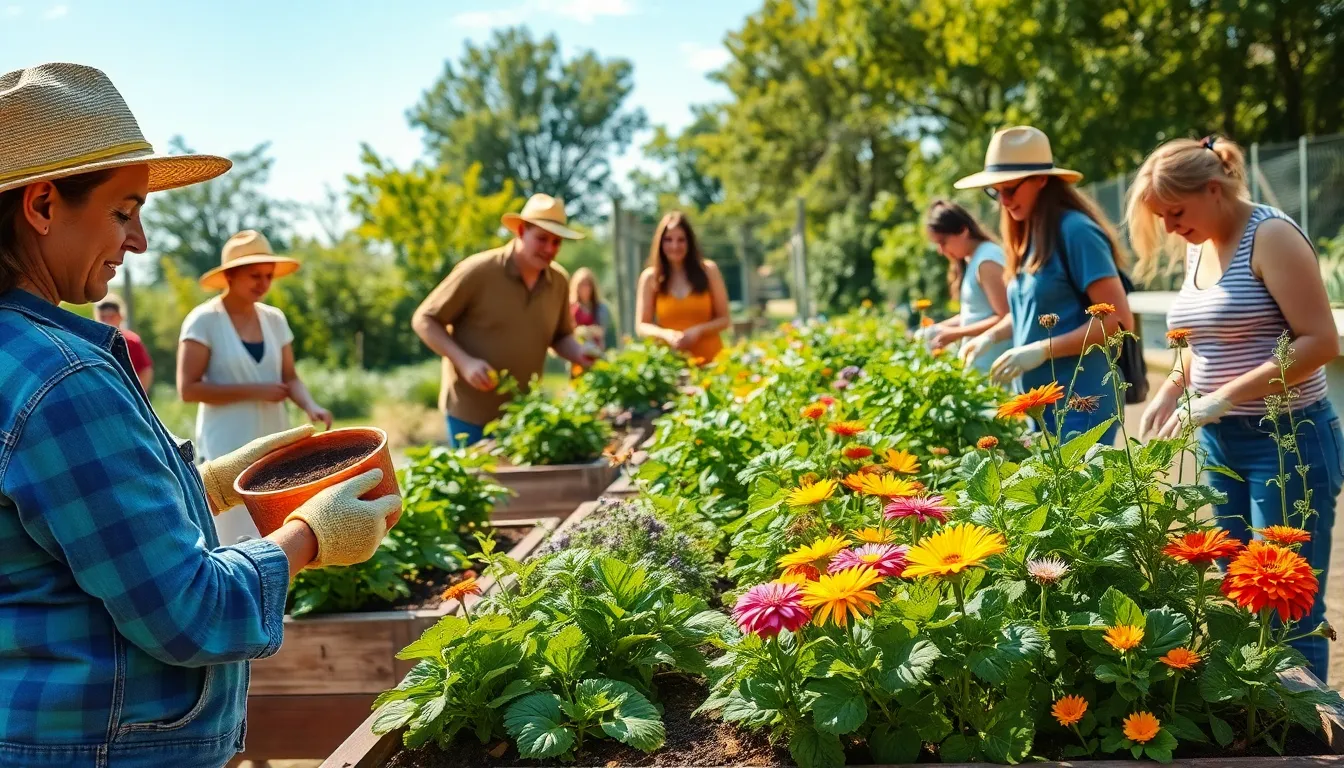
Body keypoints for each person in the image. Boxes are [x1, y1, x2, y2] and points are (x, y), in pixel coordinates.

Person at [0, 62, 400, 768]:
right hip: (99, 746)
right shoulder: (62, 378)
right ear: (40, 206)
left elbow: (56, 537)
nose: (140, 242)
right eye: (124, 212)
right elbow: (192, 612)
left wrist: (202, 486)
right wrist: (310, 534)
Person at [1129, 135, 1342, 679]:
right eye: (1163, 218)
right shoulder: (1199, 243)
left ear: (1214, 188)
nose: (1172, 228)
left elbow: (1319, 342)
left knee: (1289, 605)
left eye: (1176, 212)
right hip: (1221, 441)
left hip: (1287, 441)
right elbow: (1206, 343)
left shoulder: (1270, 236)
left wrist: (1223, 396)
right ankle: (1261, 725)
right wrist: (1172, 388)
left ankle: (1310, 743)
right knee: (1239, 596)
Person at [956, 126, 1134, 444]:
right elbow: (1032, 312)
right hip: (1042, 408)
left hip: (1081, 404)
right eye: (995, 192)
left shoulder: (1075, 231)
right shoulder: (1028, 236)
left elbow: (1118, 320)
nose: (1004, 201)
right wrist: (991, 336)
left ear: (1041, 180)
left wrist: (1042, 350)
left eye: (1010, 189)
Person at [178, 230, 333, 544]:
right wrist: (255, 390)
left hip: (274, 435)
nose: (263, 283)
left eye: (268, 275)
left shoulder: (274, 319)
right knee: (233, 531)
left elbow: (290, 377)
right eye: (254, 275)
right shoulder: (204, 321)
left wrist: (310, 405)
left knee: (277, 526)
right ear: (231, 276)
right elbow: (188, 389)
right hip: (227, 445)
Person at [412, 193, 596, 447]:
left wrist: (579, 352)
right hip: (470, 413)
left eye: (556, 242)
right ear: (521, 231)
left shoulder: (559, 282)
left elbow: (561, 336)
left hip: (522, 415)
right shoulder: (479, 270)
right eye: (542, 238)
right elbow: (424, 319)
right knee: (477, 484)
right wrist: (465, 362)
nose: (549, 249)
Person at [916, 200, 1010, 372]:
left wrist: (956, 334)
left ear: (963, 231)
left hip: (995, 365)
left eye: (943, 242)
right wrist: (940, 328)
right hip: (980, 366)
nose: (941, 250)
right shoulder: (973, 260)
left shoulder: (987, 261)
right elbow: (976, 315)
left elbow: (1005, 317)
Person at [636, 211, 731, 363]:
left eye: (681, 240)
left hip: (711, 364)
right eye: (668, 240)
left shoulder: (709, 271)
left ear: (689, 242)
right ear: (660, 243)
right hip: (670, 364)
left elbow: (724, 319)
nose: (675, 246)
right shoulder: (650, 278)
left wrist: (698, 331)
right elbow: (642, 326)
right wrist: (666, 334)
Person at [95, 291, 152, 392]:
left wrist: (138, 396)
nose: (106, 321)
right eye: (102, 317)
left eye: (111, 316)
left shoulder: (131, 341)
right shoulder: (90, 341)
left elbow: (145, 370)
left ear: (120, 316)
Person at [570, 266, 614, 352]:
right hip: (576, 351)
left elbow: (601, 331)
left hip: (596, 350)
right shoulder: (571, 307)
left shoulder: (600, 307)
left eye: (587, 285)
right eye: (582, 285)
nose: (585, 288)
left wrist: (585, 330)